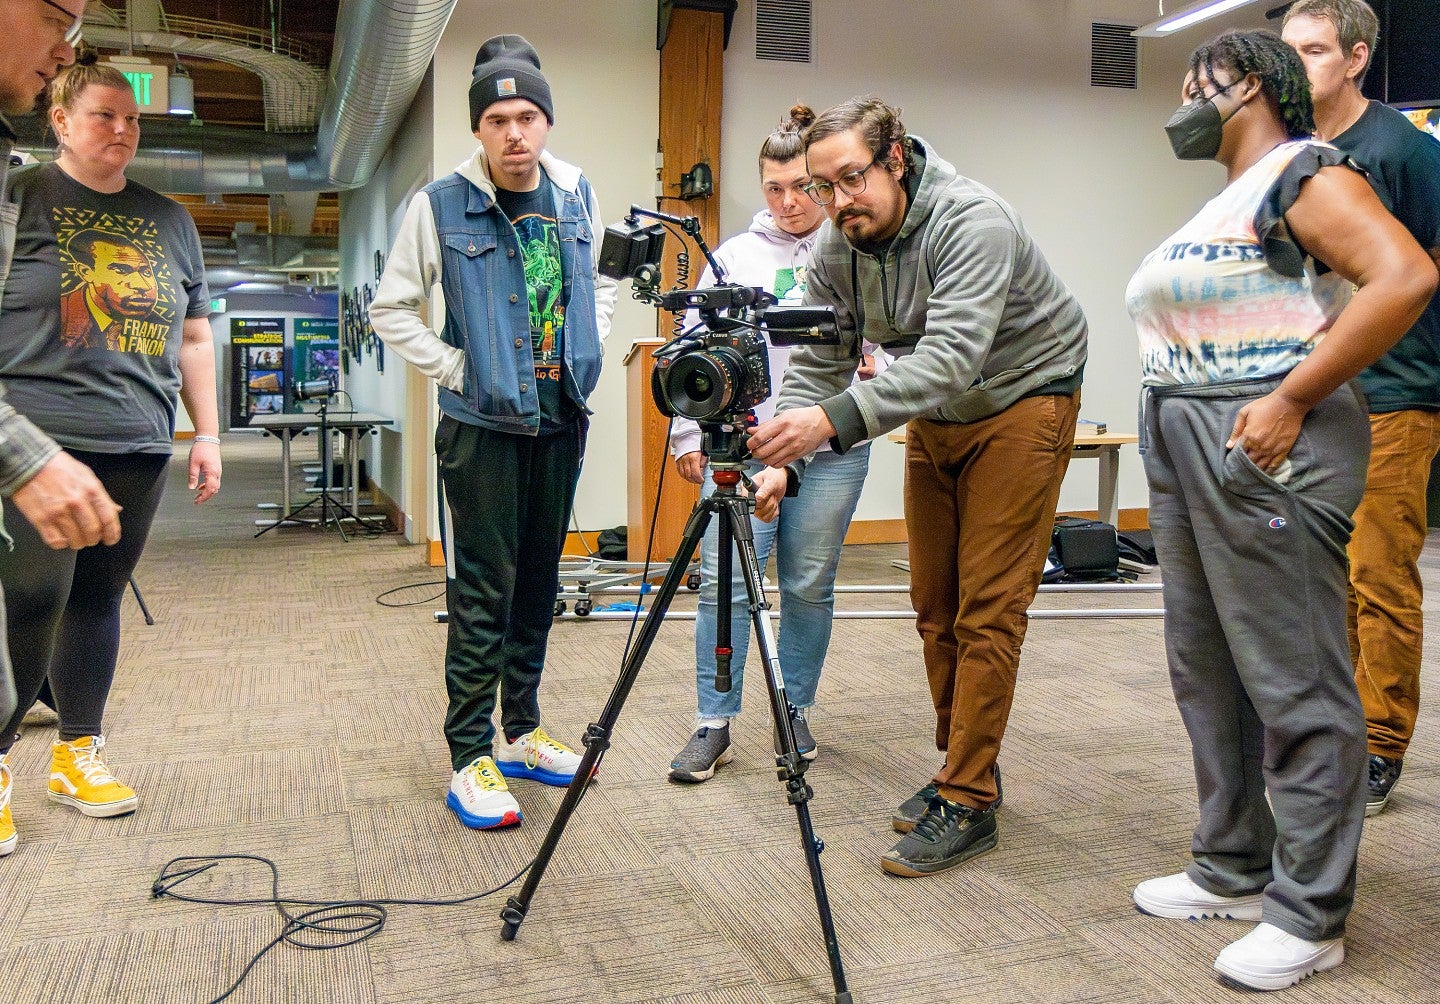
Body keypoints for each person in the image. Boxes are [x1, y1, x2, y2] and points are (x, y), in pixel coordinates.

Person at [1125, 29, 1435, 991]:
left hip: (1264, 439)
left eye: (1197, 78)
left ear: (1250, 84)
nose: (1181, 94)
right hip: (1186, 431)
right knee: (1209, 665)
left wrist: (1294, 397)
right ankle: (1232, 864)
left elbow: (1408, 276)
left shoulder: (1306, 171)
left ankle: (1311, 913)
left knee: (1294, 673)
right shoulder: (1228, 193)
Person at [748, 97, 1088, 877]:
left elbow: (952, 358)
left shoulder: (974, 221)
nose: (837, 203)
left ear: (895, 159)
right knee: (935, 606)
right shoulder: (840, 244)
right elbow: (819, 359)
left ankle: (967, 797)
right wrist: (784, 458)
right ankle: (960, 772)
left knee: (988, 608)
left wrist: (826, 425)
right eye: (822, 187)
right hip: (942, 408)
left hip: (1025, 394)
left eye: (850, 180)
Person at [369, 34, 617, 831]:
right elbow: (390, 309)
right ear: (479, 129)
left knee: (540, 581)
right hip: (483, 426)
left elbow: (601, 286)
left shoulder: (576, 191)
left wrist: (589, 348)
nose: (516, 133)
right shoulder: (437, 204)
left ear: (546, 122)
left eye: (529, 117)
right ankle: (470, 752)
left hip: (559, 418)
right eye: (499, 119)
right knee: (484, 593)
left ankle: (523, 732)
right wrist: (454, 370)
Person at [0, 59, 220, 856]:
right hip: (33, 442)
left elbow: (194, 336)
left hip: (135, 435)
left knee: (97, 597)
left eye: (131, 119)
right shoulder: (20, 197)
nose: (122, 130)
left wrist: (209, 436)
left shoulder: (169, 218)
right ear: (60, 121)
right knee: (28, 600)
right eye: (103, 115)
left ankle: (77, 752)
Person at [667, 105, 881, 783]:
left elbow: (897, 347)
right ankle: (714, 720)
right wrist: (685, 434)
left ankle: (795, 707)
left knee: (809, 583)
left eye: (801, 187)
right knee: (724, 586)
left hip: (834, 443)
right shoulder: (734, 256)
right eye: (773, 189)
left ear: (822, 183)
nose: (788, 203)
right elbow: (692, 350)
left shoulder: (857, 251)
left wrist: (885, 369)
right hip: (746, 442)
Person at [1281, 0, 1440, 817]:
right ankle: (1338, 730)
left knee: (1378, 575)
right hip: (1312, 394)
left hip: (1392, 394)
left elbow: (1425, 271)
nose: (1296, 65)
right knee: (1323, 580)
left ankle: (1381, 744)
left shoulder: (1403, 150)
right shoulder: (1292, 154)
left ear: (1355, 57)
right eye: (1288, 51)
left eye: (1312, 50)